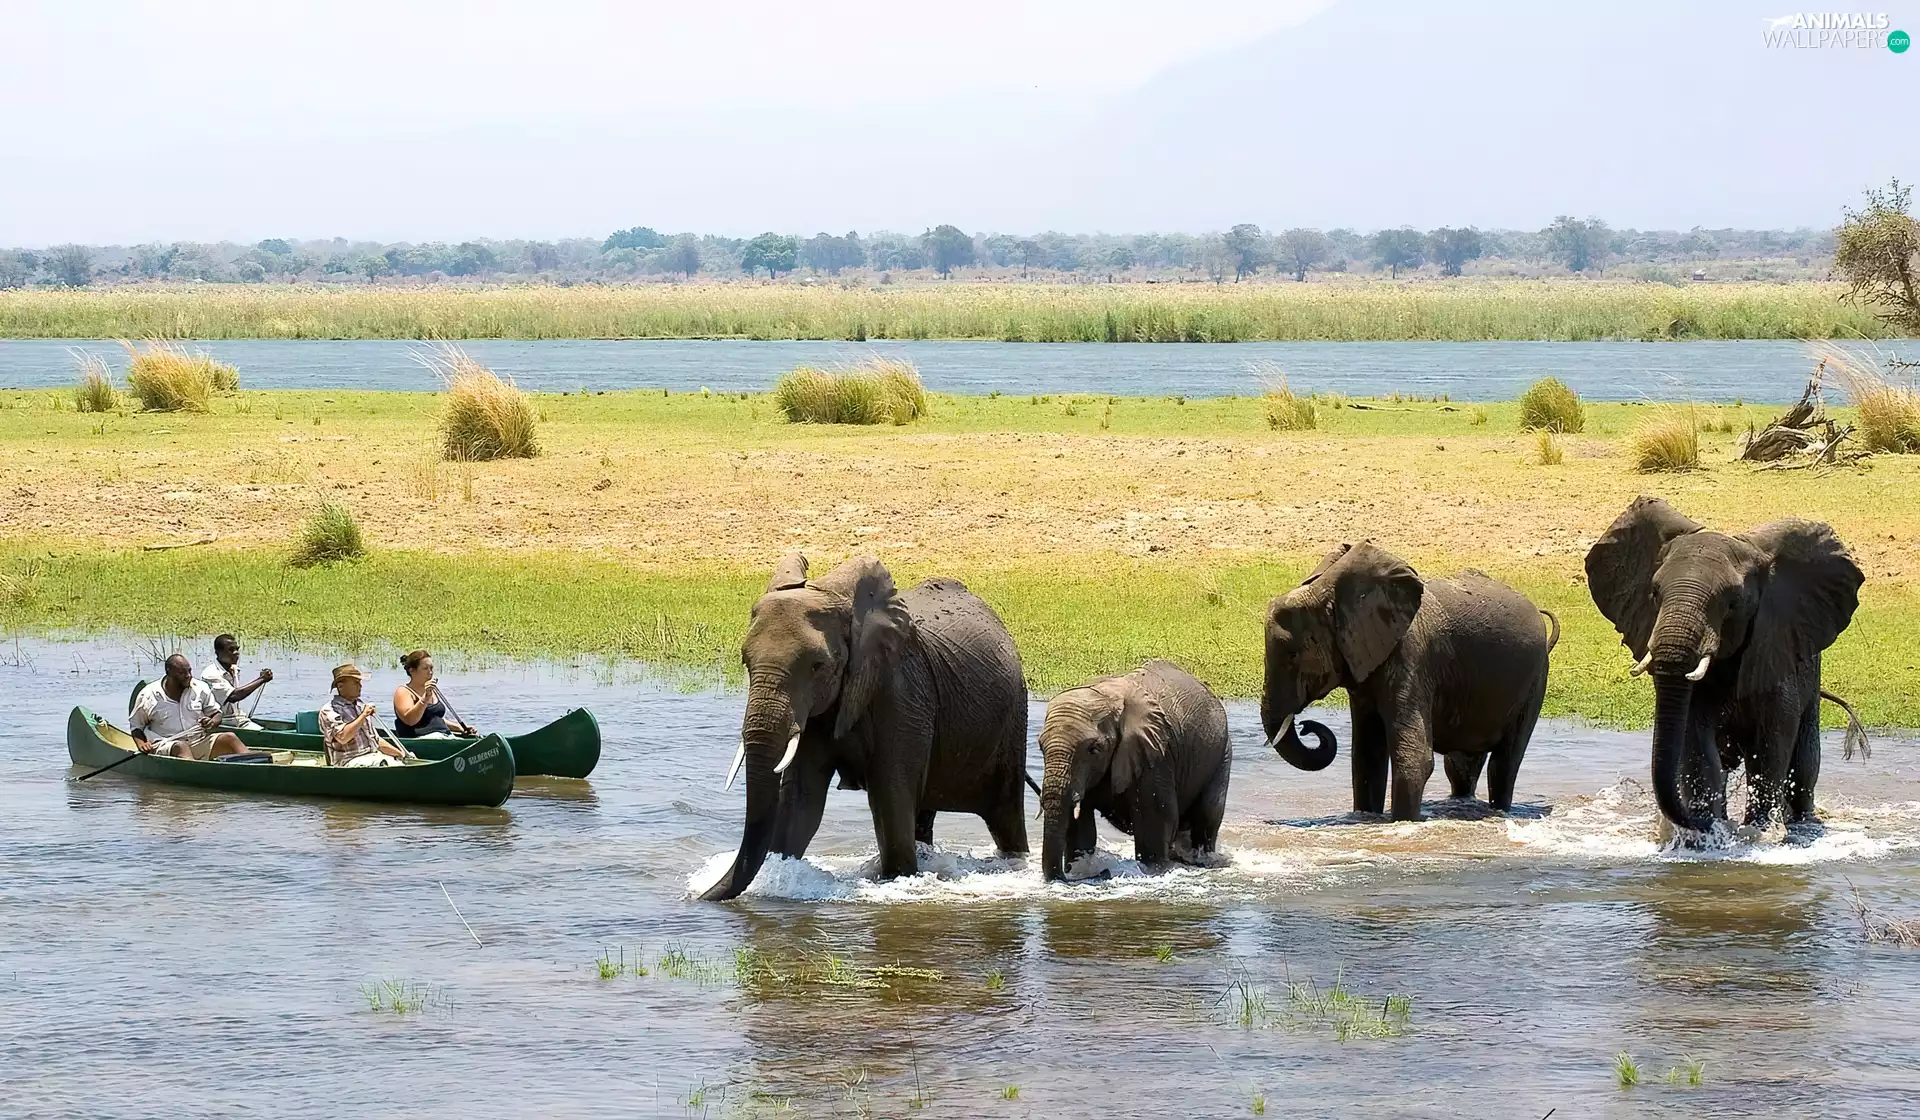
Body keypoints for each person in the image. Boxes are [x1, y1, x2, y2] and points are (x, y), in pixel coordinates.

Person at [130, 654, 249, 759]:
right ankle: (195, 774)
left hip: (197, 740)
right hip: (166, 744)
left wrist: (212, 722)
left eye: (189, 671)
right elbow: (136, 726)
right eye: (182, 673)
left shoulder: (200, 688)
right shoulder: (148, 695)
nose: (188, 676)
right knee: (181, 747)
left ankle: (255, 763)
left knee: (230, 737)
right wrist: (141, 744)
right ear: (169, 672)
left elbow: (216, 713)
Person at [319, 663, 413, 767]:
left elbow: (375, 740)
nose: (360, 686)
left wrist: (401, 754)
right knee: (384, 764)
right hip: (348, 761)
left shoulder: (360, 706)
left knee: (400, 764)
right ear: (340, 686)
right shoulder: (329, 710)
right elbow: (343, 737)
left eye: (359, 682)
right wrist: (363, 716)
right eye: (355, 683)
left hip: (372, 756)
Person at [393, 649, 475, 739]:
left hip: (443, 735)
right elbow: (410, 720)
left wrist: (460, 728)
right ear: (412, 670)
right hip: (421, 738)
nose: (430, 672)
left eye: (431, 668)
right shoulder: (404, 691)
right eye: (425, 668)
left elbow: (433, 719)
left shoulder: (433, 690)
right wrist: (425, 698)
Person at [199, 634, 273, 729]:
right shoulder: (210, 674)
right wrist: (261, 679)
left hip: (237, 719)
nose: (236, 653)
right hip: (221, 721)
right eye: (231, 650)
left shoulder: (234, 669)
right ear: (218, 652)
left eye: (237, 649)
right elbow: (234, 696)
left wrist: (262, 679)